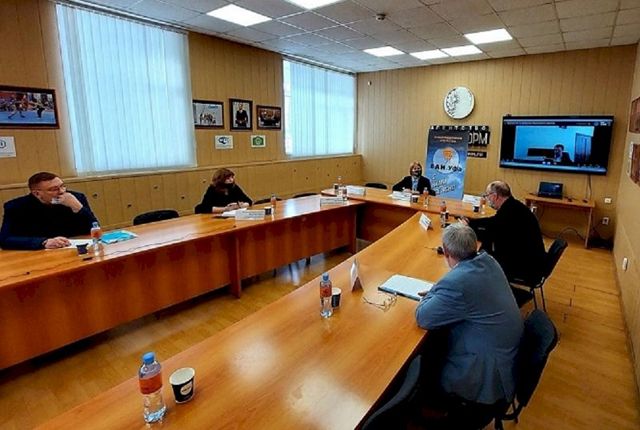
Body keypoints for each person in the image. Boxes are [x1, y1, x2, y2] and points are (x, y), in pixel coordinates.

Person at [415, 223, 523, 409]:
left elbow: (423, 317)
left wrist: (434, 293)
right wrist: (439, 292)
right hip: (504, 355)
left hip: (486, 373)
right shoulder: (488, 261)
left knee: (424, 355)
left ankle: (428, 406)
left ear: (446, 252)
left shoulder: (457, 284)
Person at [466, 181, 546, 284]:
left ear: (495, 196)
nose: (487, 199)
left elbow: (493, 231)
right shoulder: (513, 206)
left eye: (487, 195)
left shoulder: (510, 212)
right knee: (485, 249)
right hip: (531, 261)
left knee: (478, 260)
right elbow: (494, 222)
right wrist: (471, 223)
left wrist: (469, 228)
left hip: (526, 268)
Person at [0, 172, 98, 250]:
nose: (62, 191)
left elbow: (95, 229)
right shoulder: (16, 207)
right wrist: (43, 242)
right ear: (37, 194)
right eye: (54, 189)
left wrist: (78, 208)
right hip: (38, 253)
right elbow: (4, 240)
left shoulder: (75, 198)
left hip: (73, 248)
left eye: (63, 186)